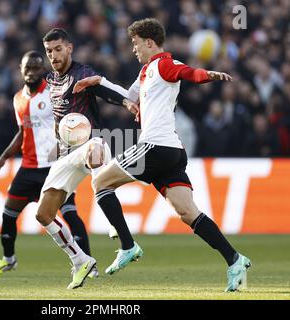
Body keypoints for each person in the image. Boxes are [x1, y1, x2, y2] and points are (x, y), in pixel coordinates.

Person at [73, 18, 251, 292]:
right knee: (187, 212)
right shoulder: (145, 73)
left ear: (149, 42)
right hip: (172, 151)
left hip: (155, 146)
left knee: (100, 183)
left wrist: (208, 75)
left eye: (135, 43)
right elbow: (127, 97)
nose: (133, 49)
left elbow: (187, 72)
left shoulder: (163, 64)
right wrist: (100, 82)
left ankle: (127, 245)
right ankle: (234, 259)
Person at [35, 28, 140, 289]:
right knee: (43, 213)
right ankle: (80, 259)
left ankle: (116, 226)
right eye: (49, 51)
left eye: (58, 49)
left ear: (69, 48)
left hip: (91, 142)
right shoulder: (49, 81)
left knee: (95, 153)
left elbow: (103, 88)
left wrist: (127, 103)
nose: (54, 55)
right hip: (64, 153)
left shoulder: (82, 72)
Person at [0, 51, 94, 278]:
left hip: (55, 167)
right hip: (28, 168)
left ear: (43, 69)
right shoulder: (18, 99)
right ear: (21, 70)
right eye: (28, 68)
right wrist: (4, 157)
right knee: (8, 215)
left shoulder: (54, 93)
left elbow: (72, 124)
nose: (32, 72)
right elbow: (23, 132)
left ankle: (88, 265)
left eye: (36, 67)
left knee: (70, 214)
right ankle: (8, 260)